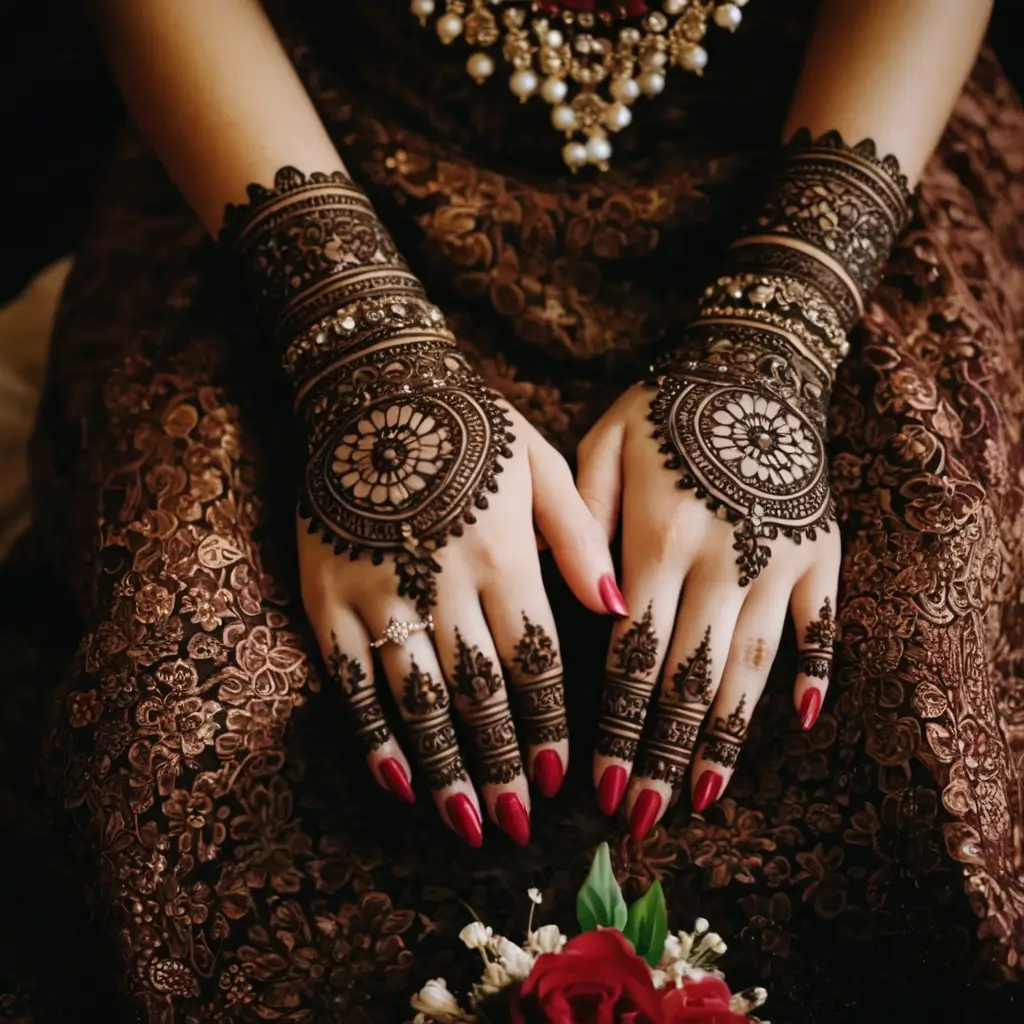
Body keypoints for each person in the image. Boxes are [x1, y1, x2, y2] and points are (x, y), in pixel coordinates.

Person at [29, 0, 1023, 1019]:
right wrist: (356, 346)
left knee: (910, 669)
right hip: (287, 140)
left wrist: (777, 336)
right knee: (191, 710)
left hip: (829, 132)